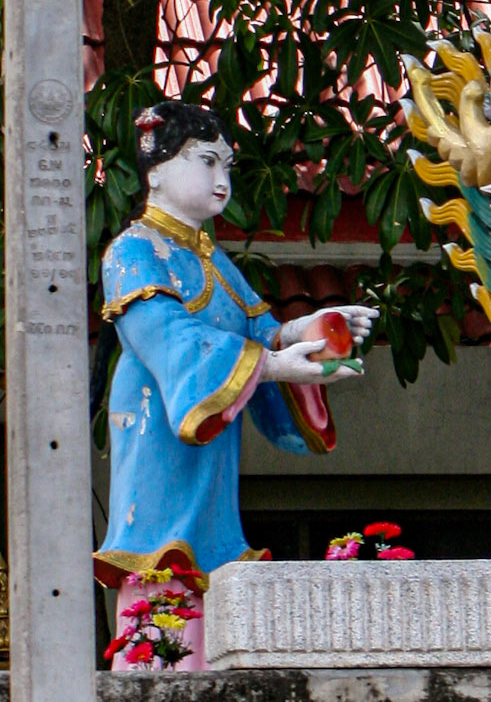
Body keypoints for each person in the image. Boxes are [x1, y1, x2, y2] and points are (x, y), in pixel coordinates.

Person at [94, 102, 376, 665]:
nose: (222, 180)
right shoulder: (133, 252)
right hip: (160, 432)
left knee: (211, 567)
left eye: (227, 164)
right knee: (160, 571)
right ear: (155, 170)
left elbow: (261, 330)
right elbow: (166, 337)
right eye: (205, 162)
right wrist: (272, 367)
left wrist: (313, 328)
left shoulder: (217, 260)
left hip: (210, 448)